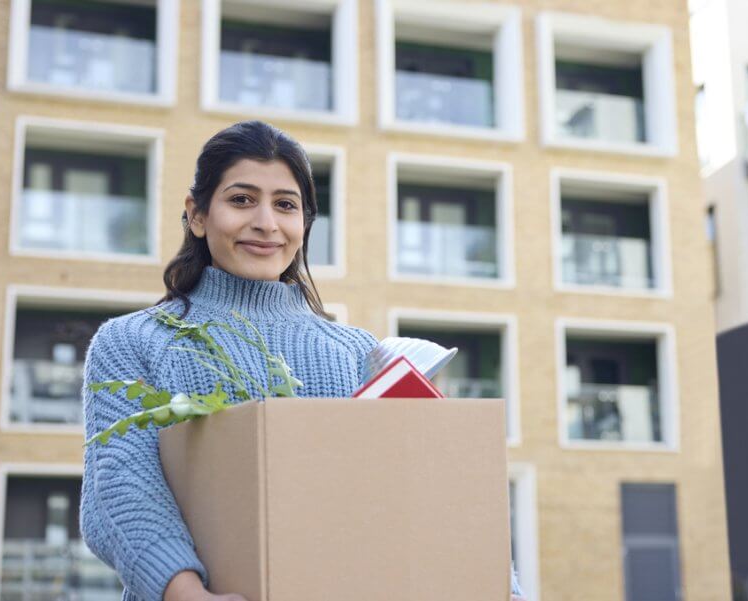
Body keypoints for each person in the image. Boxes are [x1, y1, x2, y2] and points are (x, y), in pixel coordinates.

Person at [79, 120, 525, 601]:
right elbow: (119, 487)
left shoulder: (360, 353)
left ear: (305, 224)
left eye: (286, 205)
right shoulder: (133, 340)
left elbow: (433, 497)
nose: (267, 223)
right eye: (241, 200)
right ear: (198, 214)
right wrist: (187, 594)